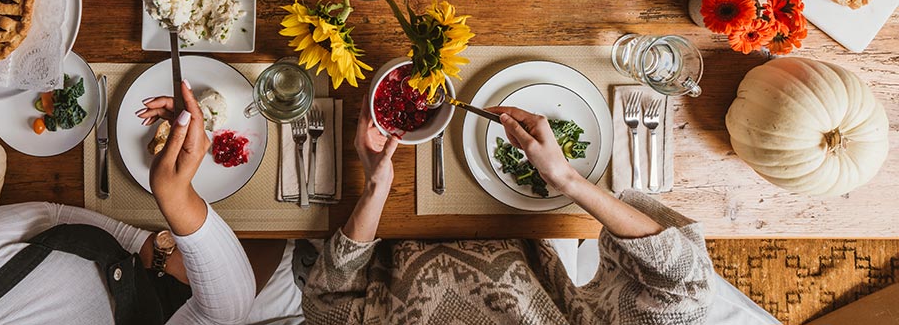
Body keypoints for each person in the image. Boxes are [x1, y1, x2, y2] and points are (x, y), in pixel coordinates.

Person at [0, 82, 287, 325]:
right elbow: (225, 313)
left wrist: (150, 246)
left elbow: (49, 217)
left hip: (120, 248)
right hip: (167, 304)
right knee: (282, 243)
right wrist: (177, 198)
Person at [301, 98, 715, 324]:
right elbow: (687, 288)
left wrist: (375, 186)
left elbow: (324, 302)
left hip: (390, 218)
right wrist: (566, 179)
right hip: (510, 211)